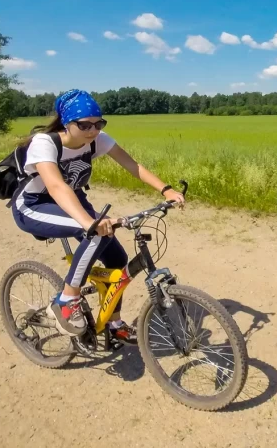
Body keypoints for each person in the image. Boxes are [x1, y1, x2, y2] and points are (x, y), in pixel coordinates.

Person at [11, 89, 185, 343]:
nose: (92, 130)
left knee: (117, 257)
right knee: (92, 232)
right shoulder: (45, 142)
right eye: (84, 125)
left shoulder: (97, 139)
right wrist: (89, 222)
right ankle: (66, 300)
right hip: (34, 205)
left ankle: (114, 323)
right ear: (67, 123)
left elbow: (132, 165)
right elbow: (57, 187)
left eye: (98, 123)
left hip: (73, 201)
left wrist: (166, 189)